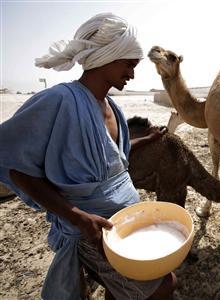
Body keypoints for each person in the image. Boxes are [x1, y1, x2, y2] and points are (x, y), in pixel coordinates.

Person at [0, 13, 175, 299]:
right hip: (91, 234)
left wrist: (146, 139)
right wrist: (79, 217)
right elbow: (17, 166)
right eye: (129, 64)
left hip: (124, 225)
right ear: (108, 55)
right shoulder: (60, 101)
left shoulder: (114, 109)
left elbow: (112, 159)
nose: (132, 74)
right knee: (164, 286)